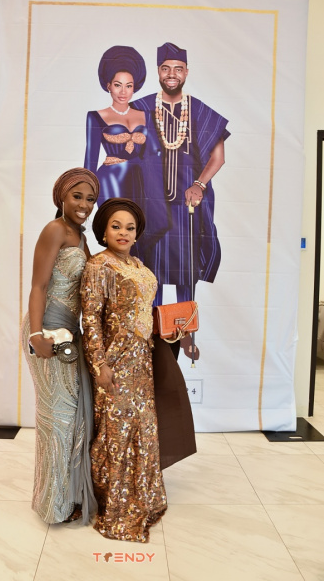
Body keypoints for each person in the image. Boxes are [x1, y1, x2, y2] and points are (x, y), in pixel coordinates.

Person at [80, 198, 167, 542]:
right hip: (114, 361)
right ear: (103, 230)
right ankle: (115, 505)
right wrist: (99, 364)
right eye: (116, 226)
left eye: (130, 228)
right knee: (115, 433)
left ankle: (142, 498)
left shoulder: (137, 264)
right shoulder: (99, 265)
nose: (123, 232)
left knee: (143, 428)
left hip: (142, 359)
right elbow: (90, 318)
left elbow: (143, 310)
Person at [21, 167, 99, 525]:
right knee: (57, 420)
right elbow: (38, 286)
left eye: (90, 199)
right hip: (47, 332)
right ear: (62, 198)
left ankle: (66, 498)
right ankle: (52, 506)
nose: (84, 204)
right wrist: (36, 336)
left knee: (72, 419)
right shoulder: (55, 229)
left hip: (69, 334)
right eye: (77, 196)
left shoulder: (80, 237)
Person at [131, 42, 230, 307]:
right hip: (150, 205)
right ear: (158, 71)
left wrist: (200, 184)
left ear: (186, 72)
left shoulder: (199, 110)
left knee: (186, 273)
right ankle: (152, 327)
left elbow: (218, 157)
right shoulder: (139, 108)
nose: (171, 74)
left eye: (178, 68)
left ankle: (185, 328)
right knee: (149, 275)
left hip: (188, 207)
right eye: (166, 68)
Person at [84, 45, 169, 262]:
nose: (123, 92)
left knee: (143, 234)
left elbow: (154, 154)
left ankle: (140, 279)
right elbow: (89, 161)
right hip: (112, 181)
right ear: (108, 86)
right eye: (118, 85)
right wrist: (86, 199)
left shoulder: (147, 115)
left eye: (128, 86)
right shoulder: (96, 116)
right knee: (118, 234)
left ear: (134, 87)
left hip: (142, 182)